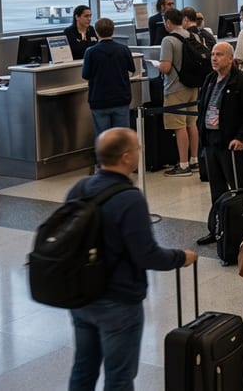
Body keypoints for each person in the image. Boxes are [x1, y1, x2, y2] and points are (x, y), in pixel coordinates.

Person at [67, 127, 197, 390]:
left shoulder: (80, 188)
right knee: (119, 376)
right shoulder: (129, 198)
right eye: (138, 148)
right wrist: (181, 257)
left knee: (83, 367)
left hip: (81, 295)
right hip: (119, 300)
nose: (140, 152)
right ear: (126, 157)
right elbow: (146, 254)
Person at [196, 43, 243, 246]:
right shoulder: (210, 79)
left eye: (219, 55)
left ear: (231, 58)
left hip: (232, 144)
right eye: (213, 54)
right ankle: (217, 229)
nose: (214, 58)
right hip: (211, 142)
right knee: (216, 190)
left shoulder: (242, 82)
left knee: (239, 189)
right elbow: (203, 107)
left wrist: (242, 137)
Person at [158, 9, 200, 177]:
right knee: (192, 123)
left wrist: (156, 65)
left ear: (168, 22)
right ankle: (194, 159)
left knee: (179, 126)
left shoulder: (168, 40)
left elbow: (166, 67)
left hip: (175, 87)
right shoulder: (192, 36)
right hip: (193, 86)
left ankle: (183, 165)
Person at [81, 17, 135, 137]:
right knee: (122, 138)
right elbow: (132, 70)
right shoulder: (123, 49)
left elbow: (85, 75)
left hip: (99, 99)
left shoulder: (91, 52)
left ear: (96, 32)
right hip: (121, 98)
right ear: (113, 31)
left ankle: (105, 156)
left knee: (103, 138)